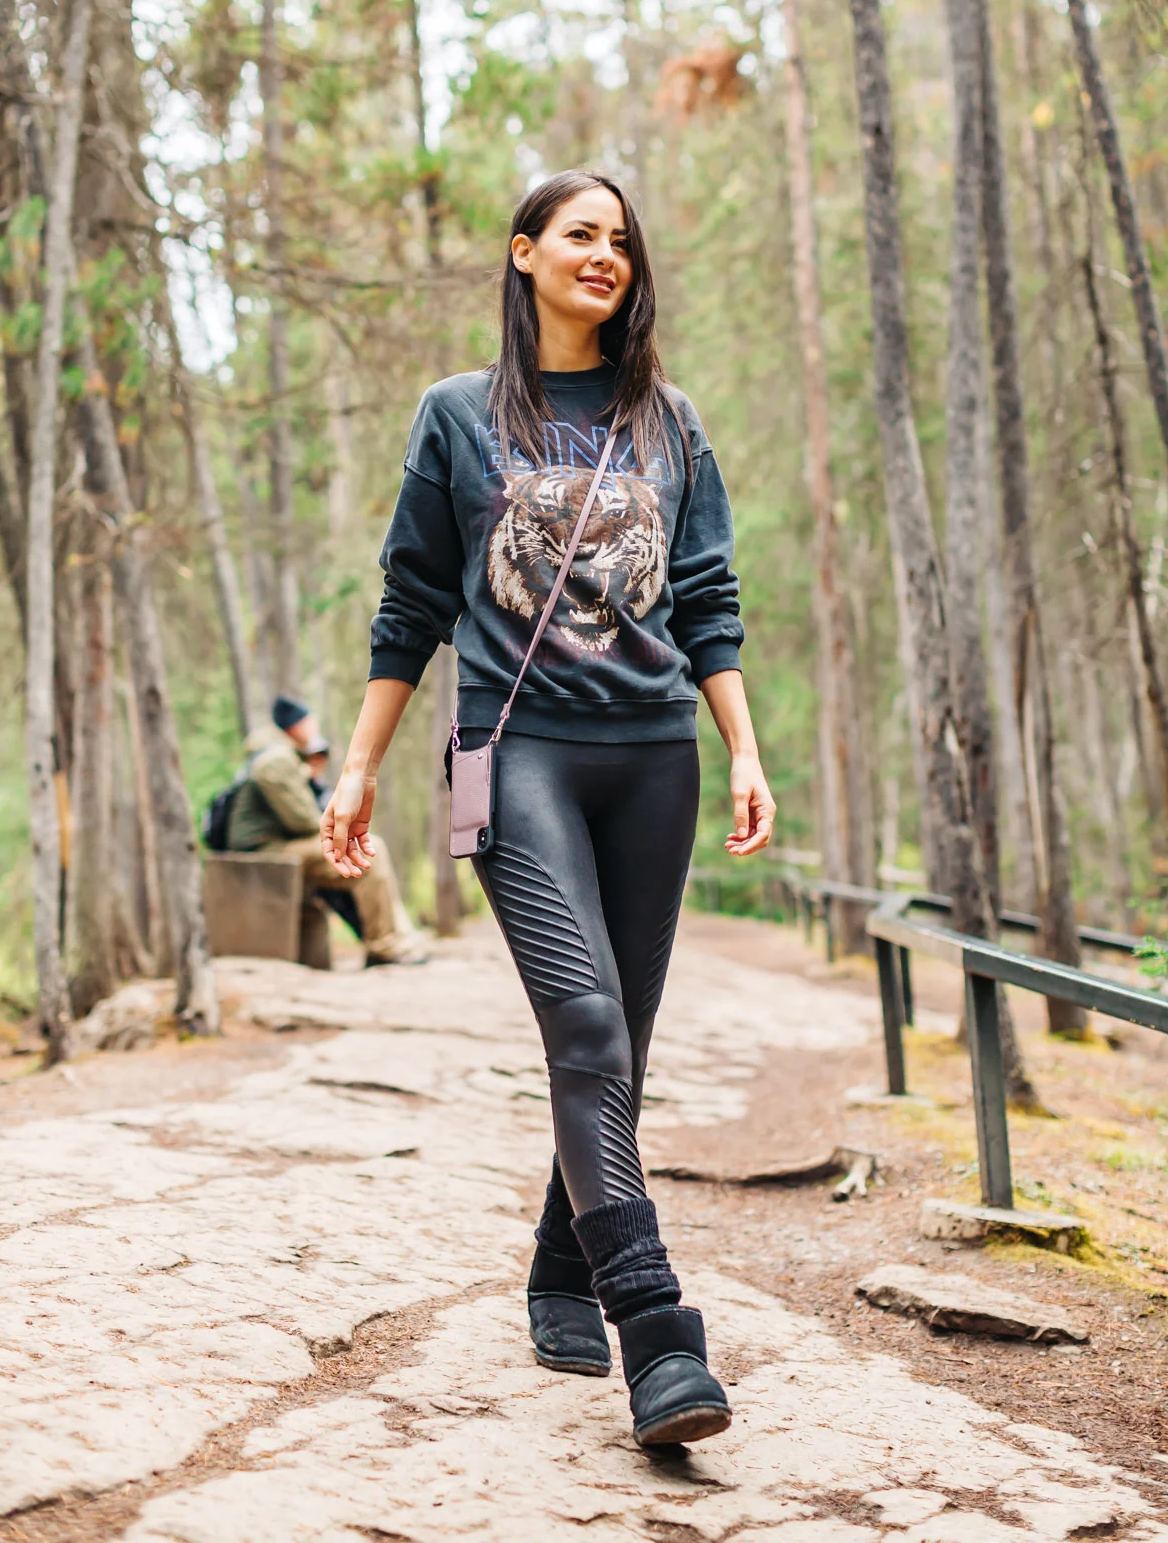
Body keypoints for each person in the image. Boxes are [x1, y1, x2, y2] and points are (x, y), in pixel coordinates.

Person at [321, 171, 775, 1450]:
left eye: (623, 240)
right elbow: (411, 600)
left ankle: (559, 1268)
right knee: (582, 1017)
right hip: (511, 753)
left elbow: (705, 596)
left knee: (615, 1045)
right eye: (580, 234)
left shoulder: (666, 421)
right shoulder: (459, 415)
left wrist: (742, 747)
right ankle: (657, 1330)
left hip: (652, 757)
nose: (605, 255)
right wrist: (357, 764)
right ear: (523, 254)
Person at [227, 694, 425, 966]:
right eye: (311, 723)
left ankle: (395, 939)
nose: (314, 729)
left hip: (270, 847)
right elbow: (304, 821)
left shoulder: (276, 756)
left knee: (360, 850)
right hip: (264, 851)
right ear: (296, 727)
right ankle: (384, 946)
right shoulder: (276, 760)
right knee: (369, 854)